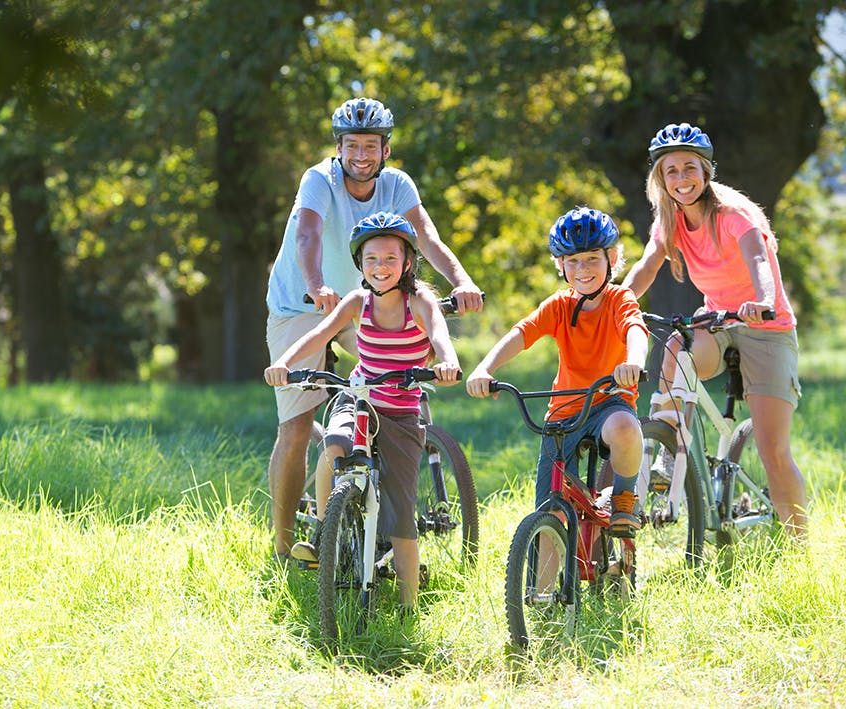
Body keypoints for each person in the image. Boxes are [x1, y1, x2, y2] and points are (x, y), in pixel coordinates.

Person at [265, 97, 482, 561]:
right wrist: (316, 284)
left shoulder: (397, 185)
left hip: (370, 301)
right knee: (299, 424)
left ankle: (382, 495)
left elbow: (426, 237)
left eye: (371, 145)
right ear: (338, 147)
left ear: (385, 149)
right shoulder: (319, 180)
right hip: (304, 303)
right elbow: (307, 235)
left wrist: (461, 281)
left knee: (402, 374)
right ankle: (286, 547)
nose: (361, 154)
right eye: (351, 145)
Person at [265, 211, 462, 608]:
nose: (381, 267)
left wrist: (446, 360)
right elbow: (320, 334)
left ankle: (408, 605)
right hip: (359, 399)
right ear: (360, 264)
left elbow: (439, 335)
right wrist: (284, 362)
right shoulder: (357, 301)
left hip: (401, 413)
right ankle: (326, 536)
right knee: (333, 450)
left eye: (390, 258)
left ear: (407, 262)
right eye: (371, 259)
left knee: (401, 514)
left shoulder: (419, 301)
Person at [622, 121, 807, 536]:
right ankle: (669, 449)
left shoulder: (732, 214)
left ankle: (801, 548)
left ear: (706, 172)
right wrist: (613, 302)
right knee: (677, 346)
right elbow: (646, 266)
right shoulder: (669, 222)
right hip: (719, 322)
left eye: (690, 168)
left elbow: (758, 259)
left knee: (773, 449)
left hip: (765, 325)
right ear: (661, 179)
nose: (682, 178)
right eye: (672, 171)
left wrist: (763, 300)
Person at [466, 207, 648, 535]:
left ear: (612, 257)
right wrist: (484, 368)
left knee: (625, 426)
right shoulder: (559, 306)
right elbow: (521, 334)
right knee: (550, 514)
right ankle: (542, 587)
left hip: (608, 402)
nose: (583, 269)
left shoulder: (619, 298)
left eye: (592, 258)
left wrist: (634, 361)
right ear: (560, 265)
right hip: (563, 412)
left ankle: (623, 496)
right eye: (573, 261)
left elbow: (635, 328)